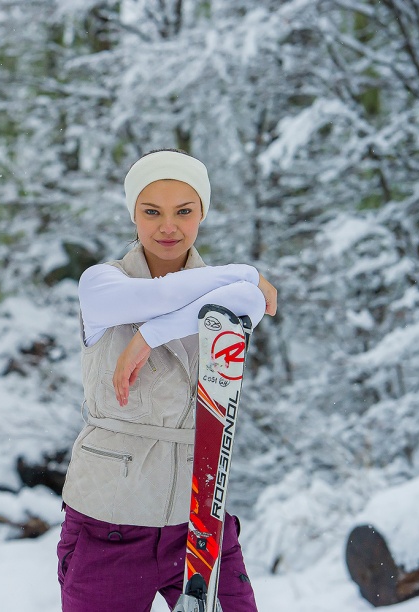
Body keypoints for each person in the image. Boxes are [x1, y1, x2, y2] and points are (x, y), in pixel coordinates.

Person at [57, 149, 277, 612]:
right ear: (132, 214)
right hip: (109, 520)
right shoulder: (101, 284)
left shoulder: (219, 289)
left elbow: (251, 302)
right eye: (151, 211)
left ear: (202, 214)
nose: (168, 226)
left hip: (198, 519)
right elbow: (237, 291)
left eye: (184, 211)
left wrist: (151, 337)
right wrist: (248, 275)